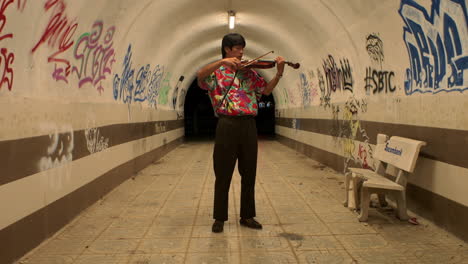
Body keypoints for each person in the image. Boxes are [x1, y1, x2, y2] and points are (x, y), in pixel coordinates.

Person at [197, 33, 285, 233]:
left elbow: (266, 91)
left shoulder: (250, 73)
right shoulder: (217, 72)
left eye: (242, 48)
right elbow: (200, 76)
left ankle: (247, 216)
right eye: (237, 48)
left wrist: (278, 73)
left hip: (248, 125)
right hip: (226, 124)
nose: (241, 52)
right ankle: (219, 218)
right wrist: (221, 62)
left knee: (249, 172)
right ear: (227, 49)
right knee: (223, 173)